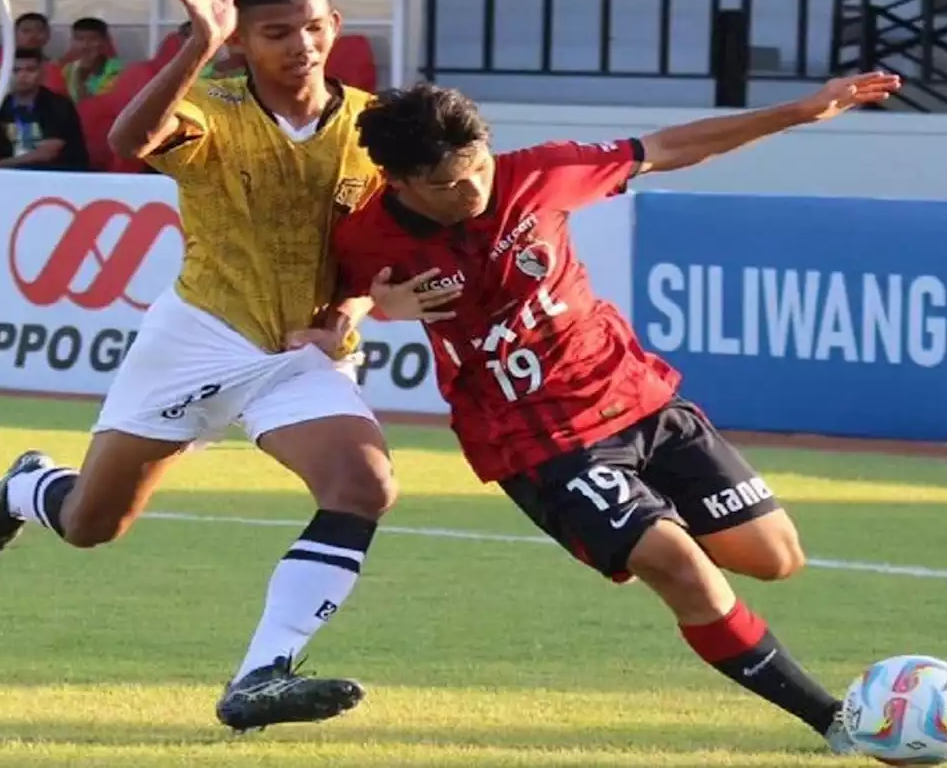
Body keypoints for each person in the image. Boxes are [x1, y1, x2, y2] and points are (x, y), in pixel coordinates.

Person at [333, 75, 902, 755]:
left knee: (775, 558)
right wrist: (375, 308)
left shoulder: (541, 173)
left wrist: (801, 111)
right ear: (397, 182)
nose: (474, 191)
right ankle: (837, 723)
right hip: (540, 440)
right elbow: (335, 303)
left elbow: (669, 145)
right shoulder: (364, 237)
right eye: (449, 186)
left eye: (479, 167)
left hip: (641, 399)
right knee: (680, 566)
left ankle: (645, 517)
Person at [0, 0, 438, 733]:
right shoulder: (210, 103)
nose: (302, 45)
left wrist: (350, 310)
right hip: (196, 338)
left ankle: (261, 673)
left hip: (297, 353)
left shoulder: (372, 125)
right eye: (276, 32)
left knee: (364, 486)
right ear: (241, 41)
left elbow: (372, 240)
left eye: (314, 27)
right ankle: (24, 486)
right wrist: (194, 47)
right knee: (92, 524)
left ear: (336, 27)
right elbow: (129, 136)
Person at [0, 48, 89, 171]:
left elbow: (46, 154)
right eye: (16, 70)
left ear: (42, 74)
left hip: (56, 175)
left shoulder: (58, 104)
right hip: (11, 175)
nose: (23, 76)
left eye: (30, 70)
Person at [63, 17, 123, 101]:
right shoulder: (68, 69)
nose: (85, 45)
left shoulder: (118, 71)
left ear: (105, 41)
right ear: (71, 41)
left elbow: (95, 108)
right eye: (79, 39)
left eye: (93, 39)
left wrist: (81, 78)